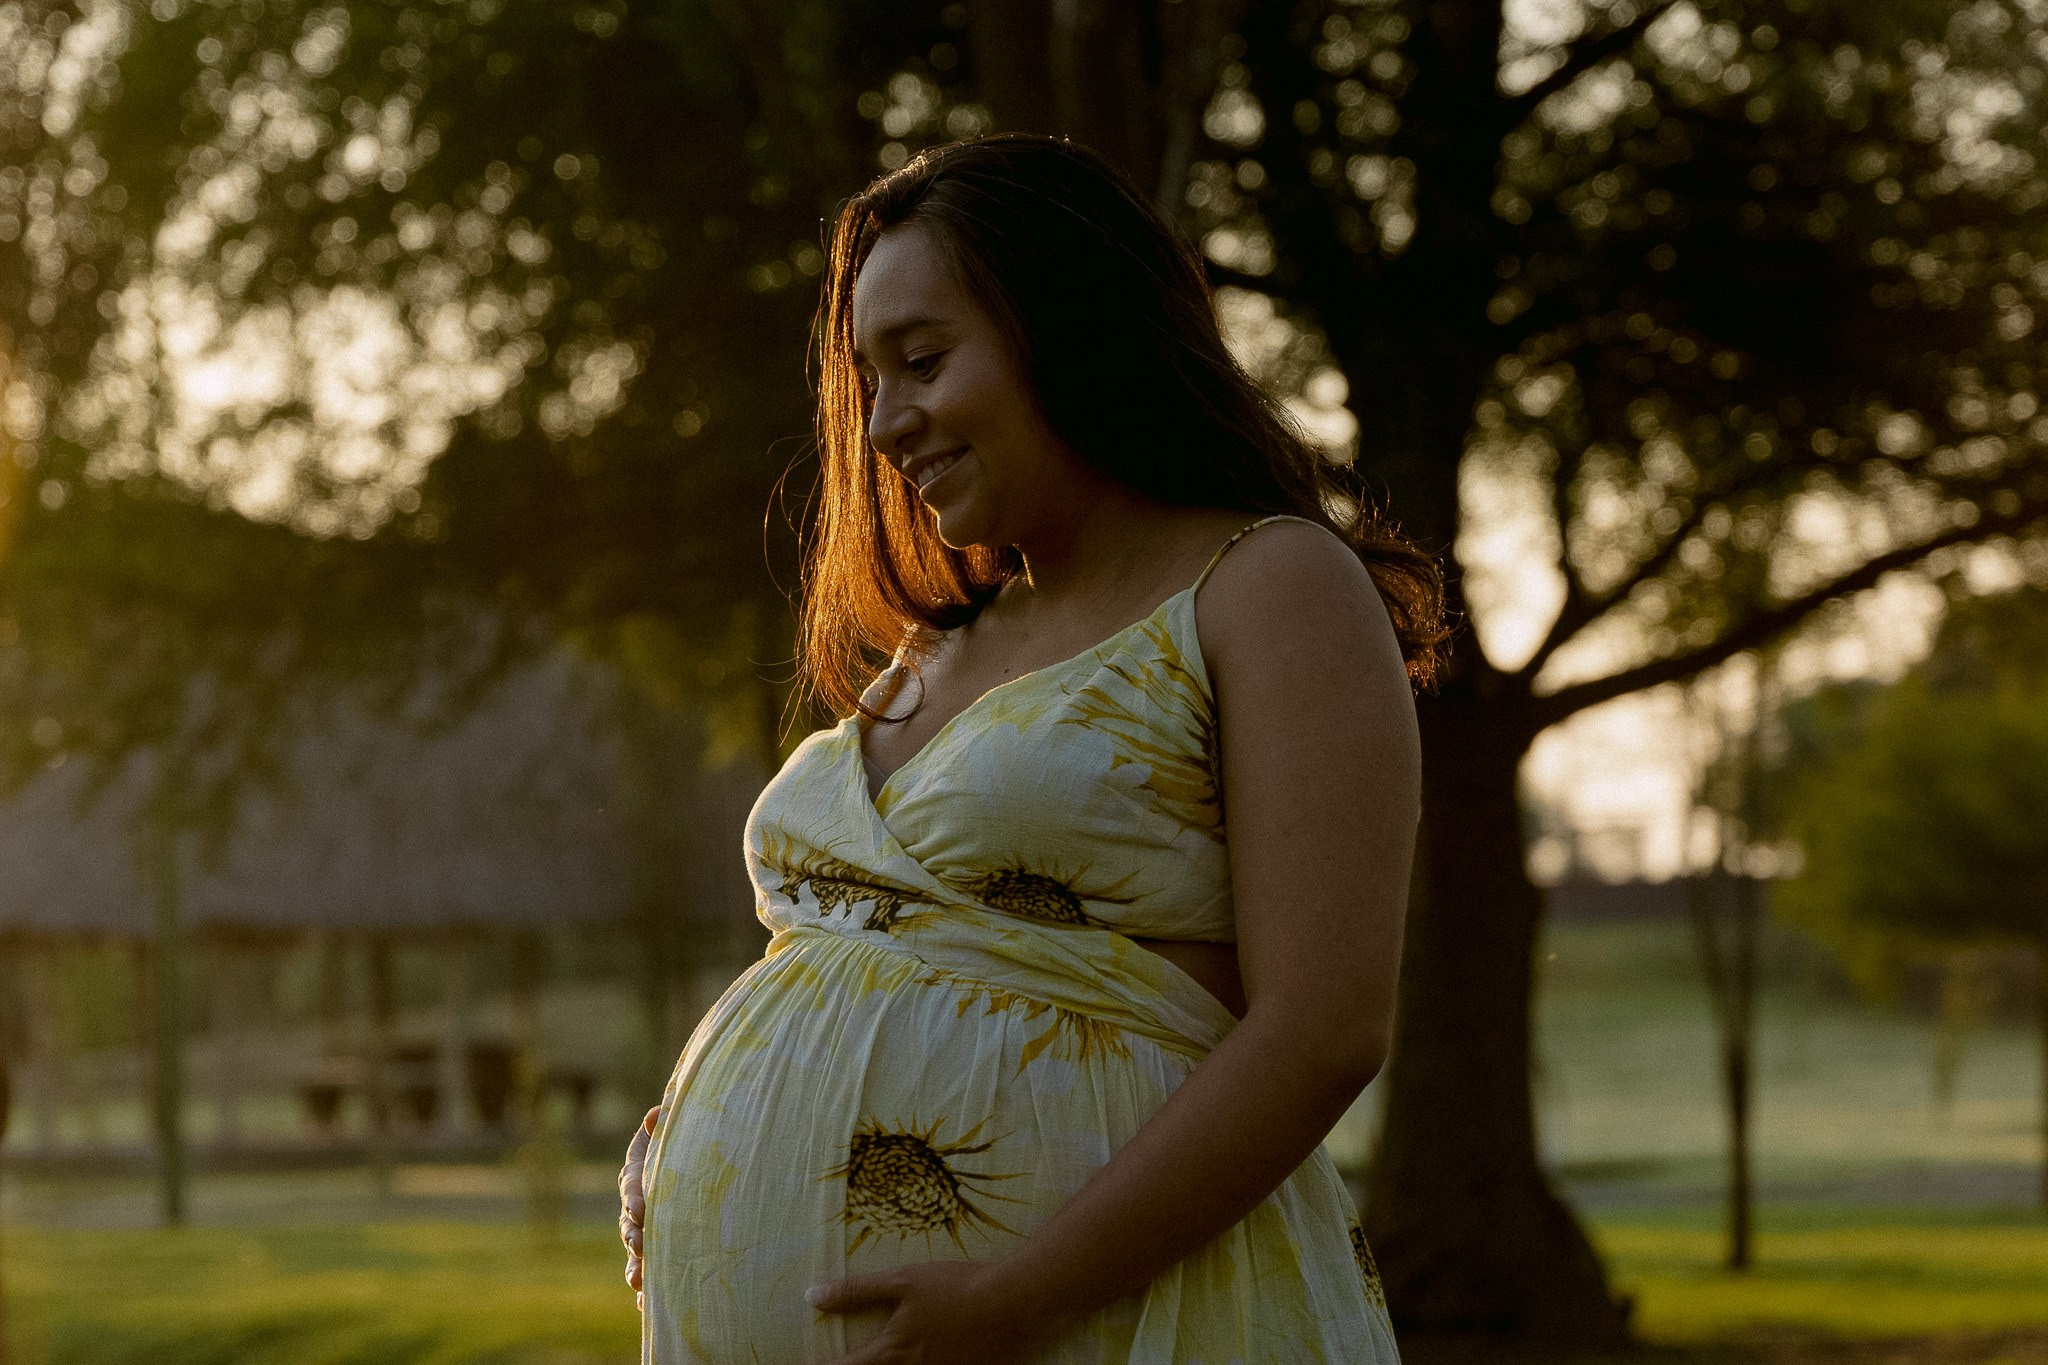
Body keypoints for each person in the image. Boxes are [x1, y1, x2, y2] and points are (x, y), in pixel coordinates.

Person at [619, 132, 1445, 1364]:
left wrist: (1026, 1295)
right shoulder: (937, 647)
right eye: (868, 377)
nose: (887, 422)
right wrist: (696, 1127)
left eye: (924, 360)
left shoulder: (1265, 586)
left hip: (1102, 1324)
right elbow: (876, 952)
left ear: (1075, 329)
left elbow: (1323, 1028)